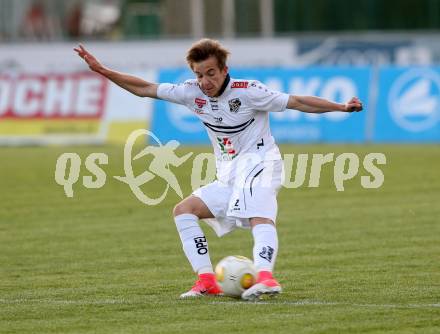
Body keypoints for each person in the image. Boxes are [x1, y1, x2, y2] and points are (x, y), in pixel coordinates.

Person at [74, 39, 363, 300]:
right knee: (184, 210)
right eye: (199, 75)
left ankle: (266, 278)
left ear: (224, 70)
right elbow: (144, 88)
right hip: (228, 174)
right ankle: (207, 281)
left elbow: (298, 101)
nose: (205, 81)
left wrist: (341, 107)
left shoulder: (248, 92)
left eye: (211, 73)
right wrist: (102, 70)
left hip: (261, 164)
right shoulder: (191, 93)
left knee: (259, 216)